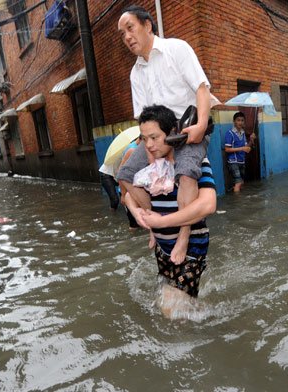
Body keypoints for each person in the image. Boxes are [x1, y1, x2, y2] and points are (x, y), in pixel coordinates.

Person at [117, 5, 213, 265]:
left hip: (186, 130)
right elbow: (142, 119)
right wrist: (147, 151)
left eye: (130, 28)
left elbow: (201, 89)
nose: (126, 36)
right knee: (124, 175)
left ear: (148, 25)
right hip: (155, 135)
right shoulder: (135, 73)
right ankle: (154, 227)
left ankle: (183, 234)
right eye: (122, 33)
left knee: (186, 174)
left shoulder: (177, 49)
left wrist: (201, 126)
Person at [124, 105, 216, 318]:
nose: (148, 145)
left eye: (154, 138)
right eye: (144, 138)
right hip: (163, 249)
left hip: (192, 248)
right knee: (175, 308)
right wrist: (139, 216)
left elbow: (208, 205)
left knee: (170, 308)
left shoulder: (194, 163)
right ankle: (198, 314)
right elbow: (129, 196)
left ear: (171, 133)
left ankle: (214, 318)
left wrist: (161, 222)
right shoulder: (150, 168)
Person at [224, 112, 252, 192]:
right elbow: (227, 149)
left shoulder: (243, 133)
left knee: (241, 182)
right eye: (238, 120)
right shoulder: (229, 133)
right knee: (238, 182)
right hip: (233, 161)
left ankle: (240, 199)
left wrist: (251, 140)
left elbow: (246, 147)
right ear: (234, 121)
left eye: (242, 120)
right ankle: (238, 202)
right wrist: (242, 148)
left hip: (241, 161)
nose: (240, 122)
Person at [117, 137, 141, 229]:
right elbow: (121, 172)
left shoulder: (137, 148)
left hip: (134, 188)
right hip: (127, 190)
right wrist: (123, 194)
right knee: (134, 224)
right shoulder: (132, 150)